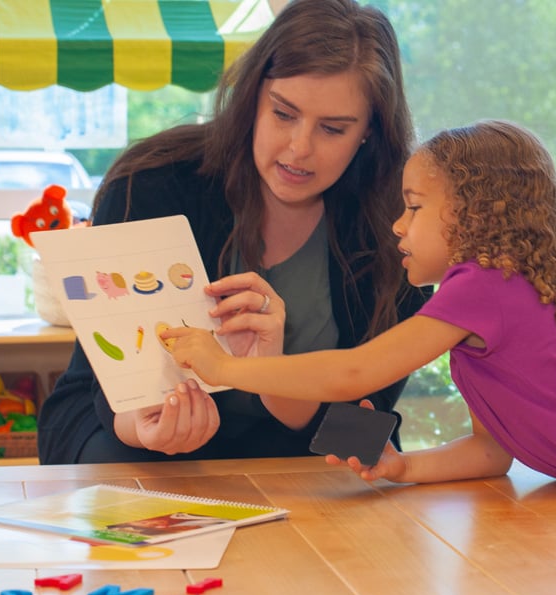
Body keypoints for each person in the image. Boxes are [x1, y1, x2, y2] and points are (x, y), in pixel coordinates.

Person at [164, 119, 556, 498]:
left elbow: (356, 370)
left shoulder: (483, 286)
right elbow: (491, 451)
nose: (398, 225)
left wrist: (226, 368)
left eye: (414, 207)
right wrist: (404, 467)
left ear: (480, 214)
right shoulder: (492, 304)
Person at [38, 0, 429, 464]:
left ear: (369, 132)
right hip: (126, 439)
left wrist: (276, 380)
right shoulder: (153, 183)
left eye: (332, 129)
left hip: (307, 455)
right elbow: (103, 380)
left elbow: (366, 435)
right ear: (252, 98)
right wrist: (144, 425)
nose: (299, 148)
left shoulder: (400, 229)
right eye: (283, 114)